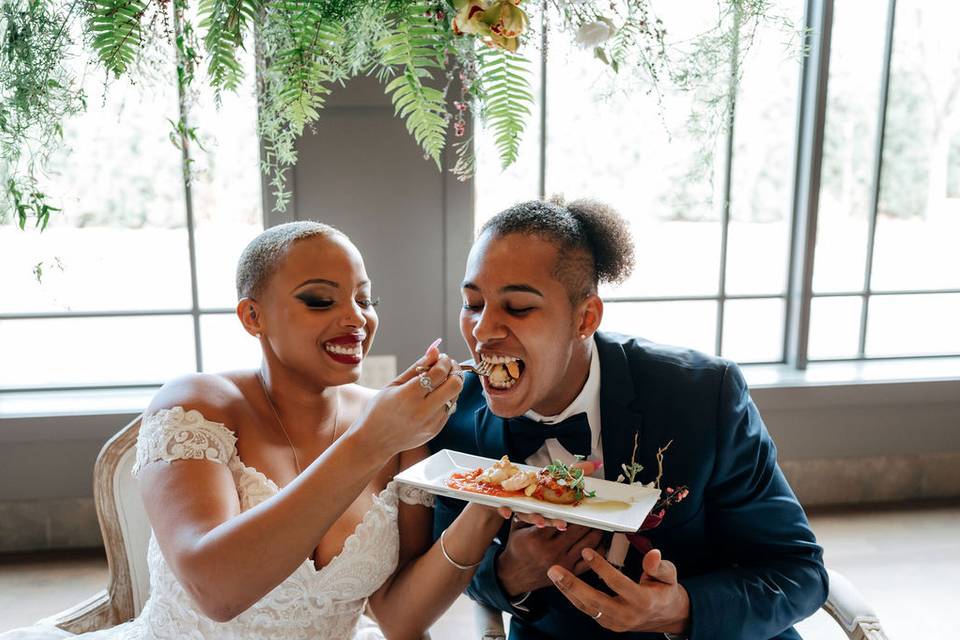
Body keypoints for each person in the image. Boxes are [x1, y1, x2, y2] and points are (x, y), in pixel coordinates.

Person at [1, 221, 513, 640]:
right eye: (320, 300)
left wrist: (487, 506)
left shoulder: (395, 430)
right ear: (253, 316)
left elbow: (399, 620)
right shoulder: (197, 404)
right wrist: (369, 443)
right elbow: (217, 591)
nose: (355, 318)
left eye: (365, 299)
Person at [430, 199, 829, 639]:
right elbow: (449, 570)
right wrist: (510, 575)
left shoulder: (701, 396)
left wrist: (680, 610)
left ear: (586, 318)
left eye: (519, 307)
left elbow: (799, 573)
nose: (483, 331)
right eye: (473, 303)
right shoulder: (456, 414)